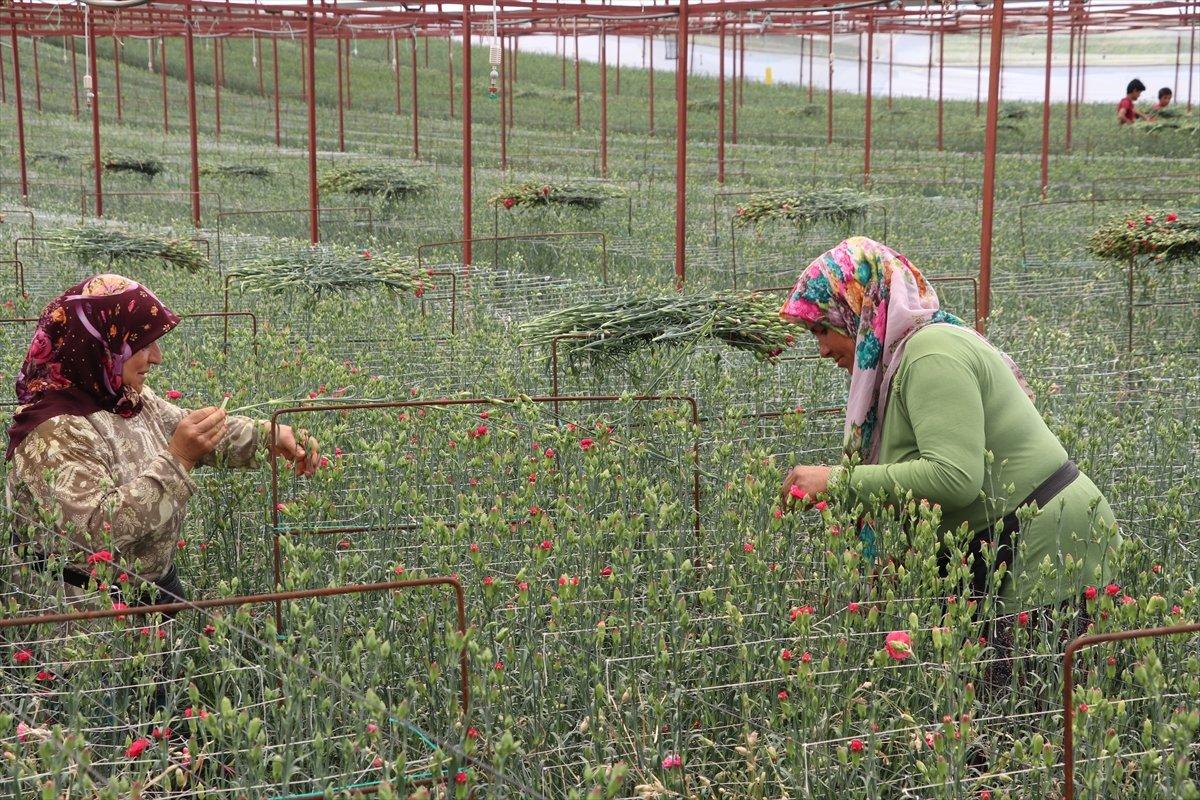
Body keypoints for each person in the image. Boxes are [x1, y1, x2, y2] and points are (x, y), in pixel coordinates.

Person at [777, 238, 1121, 615]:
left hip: (1047, 546)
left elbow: (955, 477)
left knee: (1033, 671)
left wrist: (836, 481)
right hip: (1004, 544)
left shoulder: (931, 354)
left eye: (823, 330)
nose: (823, 350)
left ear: (859, 309)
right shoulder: (900, 363)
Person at [5, 274, 319, 609]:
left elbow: (186, 428)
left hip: (148, 602)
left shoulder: (121, 397)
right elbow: (92, 533)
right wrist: (179, 459)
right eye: (142, 345)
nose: (157, 357)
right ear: (99, 346)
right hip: (84, 621)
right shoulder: (52, 432)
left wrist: (267, 436)